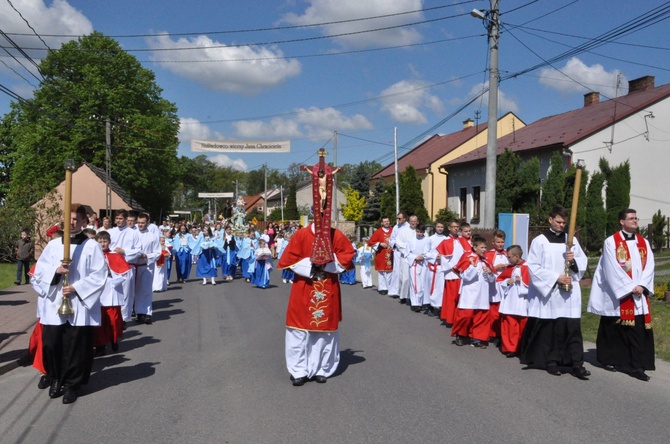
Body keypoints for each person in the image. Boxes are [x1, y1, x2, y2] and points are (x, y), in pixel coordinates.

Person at [31, 203, 107, 404]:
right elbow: (38, 273)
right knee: (52, 343)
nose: (71, 222)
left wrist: (76, 287)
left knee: (77, 345)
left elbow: (100, 275)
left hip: (79, 303)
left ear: (83, 221)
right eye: (68, 218)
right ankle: (56, 377)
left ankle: (72, 384)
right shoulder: (53, 245)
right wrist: (55, 273)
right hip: (55, 301)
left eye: (76, 219)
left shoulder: (91, 246)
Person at [278, 221, 355, 386]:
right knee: (298, 331)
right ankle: (298, 370)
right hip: (303, 288)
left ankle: (321, 368)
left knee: (323, 332)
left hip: (327, 288)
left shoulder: (336, 235)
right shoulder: (301, 235)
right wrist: (311, 263)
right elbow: (289, 258)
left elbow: (347, 256)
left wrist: (327, 261)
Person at [520, 206, 590, 379]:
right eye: (558, 221)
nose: (561, 225)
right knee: (552, 329)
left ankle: (577, 364)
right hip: (551, 293)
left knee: (572, 328)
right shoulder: (540, 241)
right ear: (550, 220)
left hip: (569, 293)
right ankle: (551, 362)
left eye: (564, 222)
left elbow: (583, 261)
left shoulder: (570, 240)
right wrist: (556, 278)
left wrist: (573, 262)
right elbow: (533, 267)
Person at [587, 209, 655, 381]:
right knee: (613, 328)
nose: (635, 221)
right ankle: (608, 359)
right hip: (618, 294)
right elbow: (611, 267)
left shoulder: (643, 242)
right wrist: (628, 287)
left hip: (638, 294)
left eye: (636, 218)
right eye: (631, 218)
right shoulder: (611, 242)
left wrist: (642, 285)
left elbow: (650, 265)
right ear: (622, 222)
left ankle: (636, 365)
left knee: (637, 330)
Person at [451, 236, 496, 348]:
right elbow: (465, 277)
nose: (484, 249)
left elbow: (492, 280)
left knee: (481, 317)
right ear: (475, 247)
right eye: (482, 247)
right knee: (465, 316)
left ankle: (477, 338)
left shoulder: (486, 260)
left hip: (482, 293)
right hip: (470, 293)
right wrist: (473, 267)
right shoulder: (468, 257)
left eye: (485, 247)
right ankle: (460, 335)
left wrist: (490, 273)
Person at [93, 231, 130, 355]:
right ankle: (100, 345)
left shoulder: (115, 255)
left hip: (111, 293)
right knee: (99, 321)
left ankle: (113, 340)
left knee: (113, 320)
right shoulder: (92, 255)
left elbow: (126, 274)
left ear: (109, 242)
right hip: (96, 293)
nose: (103, 244)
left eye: (105, 241)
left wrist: (113, 279)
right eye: (100, 241)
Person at [108, 209, 142, 322]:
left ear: (126, 219)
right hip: (112, 266)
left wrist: (125, 252)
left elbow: (138, 250)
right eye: (116, 218)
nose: (118, 221)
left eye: (121, 218)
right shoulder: (111, 232)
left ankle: (123, 318)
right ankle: (113, 318)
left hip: (126, 266)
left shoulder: (133, 233)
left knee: (126, 293)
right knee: (113, 293)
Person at [497, 245, 530, 357]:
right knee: (509, 326)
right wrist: (507, 281)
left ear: (517, 256)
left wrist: (521, 282)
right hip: (510, 301)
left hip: (523, 302)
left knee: (523, 327)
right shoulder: (510, 268)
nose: (507, 259)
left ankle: (521, 347)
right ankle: (510, 348)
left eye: (509, 257)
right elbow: (499, 280)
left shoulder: (527, 267)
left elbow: (532, 286)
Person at [135, 213, 161, 324]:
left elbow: (158, 252)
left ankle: (147, 313)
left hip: (146, 266)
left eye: (143, 223)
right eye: (139, 222)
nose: (140, 225)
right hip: (133, 265)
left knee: (146, 289)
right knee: (134, 290)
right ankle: (138, 313)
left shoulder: (152, 236)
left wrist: (147, 256)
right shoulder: (132, 234)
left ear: (147, 223)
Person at [439, 219, 465, 324]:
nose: (456, 228)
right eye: (454, 226)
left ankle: (458, 317)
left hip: (462, 272)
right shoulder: (445, 241)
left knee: (460, 296)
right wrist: (453, 267)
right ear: (449, 228)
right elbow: (444, 259)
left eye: (457, 226)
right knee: (451, 297)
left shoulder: (462, 240)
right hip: (452, 273)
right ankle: (450, 318)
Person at [485, 229, 510, 341]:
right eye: (498, 242)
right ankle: (492, 333)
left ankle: (502, 333)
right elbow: (485, 270)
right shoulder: (489, 254)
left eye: (502, 242)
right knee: (494, 311)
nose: (500, 244)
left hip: (505, 285)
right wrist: (496, 268)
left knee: (504, 310)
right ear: (493, 242)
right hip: (494, 285)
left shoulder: (507, 253)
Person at [422, 220, 447, 316]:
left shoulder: (446, 239)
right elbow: (425, 252)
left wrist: (442, 257)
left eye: (441, 227)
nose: (440, 228)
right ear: (435, 227)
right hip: (432, 267)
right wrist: (434, 256)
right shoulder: (431, 239)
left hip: (441, 267)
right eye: (438, 227)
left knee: (440, 288)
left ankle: (440, 307)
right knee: (430, 286)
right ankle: (430, 306)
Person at [406, 223, 429, 312]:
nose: (419, 234)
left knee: (422, 283)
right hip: (414, 263)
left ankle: (421, 302)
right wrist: (415, 257)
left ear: (424, 232)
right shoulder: (411, 240)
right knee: (414, 284)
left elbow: (428, 251)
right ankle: (415, 303)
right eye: (418, 232)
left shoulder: (427, 240)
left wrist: (424, 256)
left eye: (421, 232)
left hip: (423, 263)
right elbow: (407, 253)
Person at [368, 217, 394, 295]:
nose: (387, 222)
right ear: (382, 223)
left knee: (390, 272)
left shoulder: (393, 230)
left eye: (388, 221)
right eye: (385, 221)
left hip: (391, 254)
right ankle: (382, 288)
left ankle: (390, 288)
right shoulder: (378, 232)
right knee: (382, 272)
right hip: (381, 254)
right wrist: (380, 244)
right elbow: (370, 242)